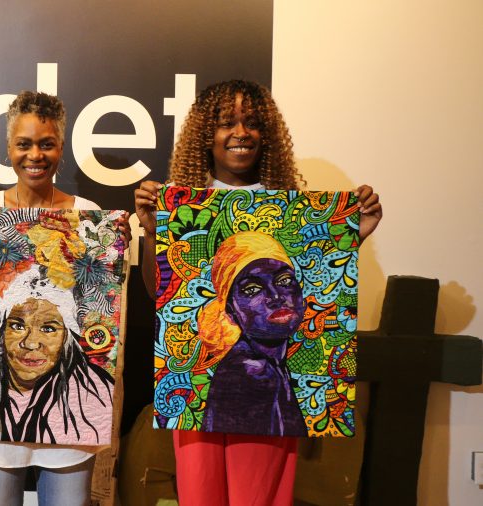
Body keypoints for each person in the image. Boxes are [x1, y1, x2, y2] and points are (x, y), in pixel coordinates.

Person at [134, 80, 382, 505]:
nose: (240, 133)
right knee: (200, 495)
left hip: (269, 396)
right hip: (199, 390)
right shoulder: (182, 208)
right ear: (204, 137)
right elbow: (162, 299)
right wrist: (154, 231)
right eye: (227, 123)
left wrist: (350, 237)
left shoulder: (292, 207)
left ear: (267, 135)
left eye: (252, 123)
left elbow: (317, 285)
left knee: (259, 497)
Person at [0, 91, 125, 506]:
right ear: (8, 148)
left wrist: (114, 255)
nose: (35, 154)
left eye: (46, 143)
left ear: (61, 148)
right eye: (24, 143)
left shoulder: (89, 215)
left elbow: (100, 314)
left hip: (71, 416)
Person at [0, 267, 115, 444]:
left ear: (67, 337)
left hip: (67, 453)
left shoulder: (94, 393)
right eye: (17, 326)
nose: (31, 343)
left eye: (48, 329)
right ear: (0, 330)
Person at [198, 231, 307, 437]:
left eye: (284, 281)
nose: (275, 296)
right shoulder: (252, 372)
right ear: (230, 309)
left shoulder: (268, 363)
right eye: (252, 289)